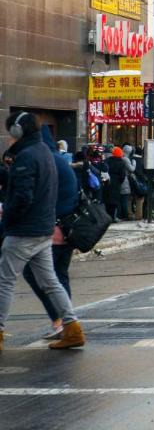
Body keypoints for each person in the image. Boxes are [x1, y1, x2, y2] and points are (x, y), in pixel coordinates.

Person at [0, 112, 85, 351]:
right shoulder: (46, 153)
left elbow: (22, 196)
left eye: (11, 131)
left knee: (4, 281)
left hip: (23, 231)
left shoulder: (26, 157)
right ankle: (72, 328)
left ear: (18, 131)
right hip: (43, 229)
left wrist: (7, 219)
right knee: (50, 281)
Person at [22, 125, 79, 340]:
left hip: (54, 230)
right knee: (58, 276)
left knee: (39, 274)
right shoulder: (59, 161)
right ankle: (66, 322)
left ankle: (62, 321)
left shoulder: (47, 161)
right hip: (66, 229)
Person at [104, 146, 129, 221]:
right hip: (116, 183)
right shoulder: (121, 163)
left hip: (107, 181)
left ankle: (107, 216)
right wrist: (119, 181)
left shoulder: (107, 160)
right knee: (114, 201)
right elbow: (122, 175)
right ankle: (112, 217)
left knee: (107, 200)